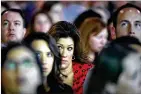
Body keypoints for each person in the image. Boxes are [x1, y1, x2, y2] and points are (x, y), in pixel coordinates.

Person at [48, 21, 93, 94]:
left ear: (74, 51)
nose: (64, 54)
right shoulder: (43, 72)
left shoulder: (88, 72)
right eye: (59, 47)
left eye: (69, 48)